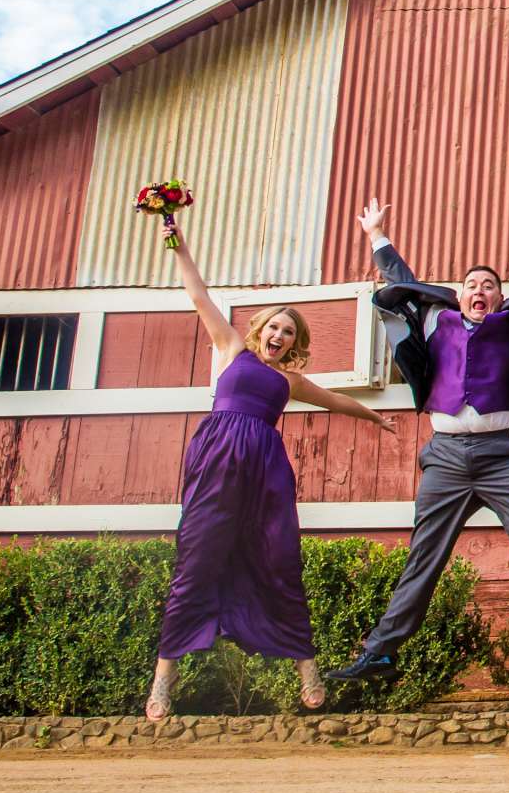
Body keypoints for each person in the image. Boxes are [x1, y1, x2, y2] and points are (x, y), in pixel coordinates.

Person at [329, 199, 509, 681]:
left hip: (505, 455)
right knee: (425, 555)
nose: (479, 290)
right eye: (471, 285)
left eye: (488, 285)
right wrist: (377, 236)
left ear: (500, 296)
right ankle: (380, 651)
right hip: (446, 459)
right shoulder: (435, 319)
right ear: (458, 295)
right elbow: (401, 280)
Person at [147, 210, 396, 721]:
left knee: (280, 561)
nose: (280, 336)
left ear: (294, 343)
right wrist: (179, 243)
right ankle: (161, 685)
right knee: (194, 564)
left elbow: (339, 401)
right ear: (260, 329)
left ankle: (308, 672)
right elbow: (198, 295)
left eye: (289, 332)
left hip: (265, 471)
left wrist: (378, 418)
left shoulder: (292, 382)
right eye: (275, 327)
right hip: (217, 462)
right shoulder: (230, 347)